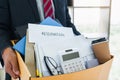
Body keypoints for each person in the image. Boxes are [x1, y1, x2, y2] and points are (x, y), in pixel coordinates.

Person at [0, 0, 80, 79]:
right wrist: (5, 50)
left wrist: (86, 43)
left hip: (61, 69)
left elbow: (66, 23)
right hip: (23, 69)